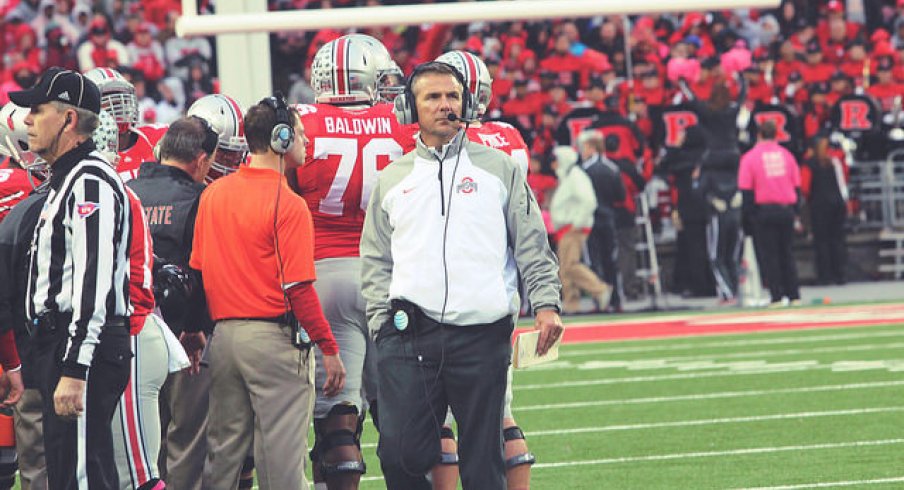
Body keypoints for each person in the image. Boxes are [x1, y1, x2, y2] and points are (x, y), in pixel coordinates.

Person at [361, 61, 562, 489]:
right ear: (411, 109)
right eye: (432, 97)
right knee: (398, 453)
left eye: (452, 96)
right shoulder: (392, 179)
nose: (444, 105)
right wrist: (381, 324)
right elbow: (376, 258)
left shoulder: (500, 169)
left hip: (482, 334)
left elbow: (531, 242)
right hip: (409, 334)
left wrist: (546, 304)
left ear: (466, 102)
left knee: (483, 463)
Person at [190, 94, 345, 489]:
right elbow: (298, 288)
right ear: (281, 138)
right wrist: (328, 347)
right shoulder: (288, 204)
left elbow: (198, 271)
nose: (307, 141)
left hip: (223, 339)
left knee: (221, 460)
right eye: (301, 134)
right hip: (273, 340)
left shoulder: (214, 193)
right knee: (281, 467)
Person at [296, 36, 412, 489]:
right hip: (390, 275)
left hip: (325, 273)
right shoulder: (402, 123)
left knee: (338, 416)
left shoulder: (302, 121)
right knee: (401, 409)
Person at [14, 67, 133, 489]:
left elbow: (92, 279)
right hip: (64, 343)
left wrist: (75, 366)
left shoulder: (89, 181)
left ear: (68, 119)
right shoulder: (67, 180)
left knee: (81, 475)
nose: (26, 118)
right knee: (72, 470)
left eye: (37, 109)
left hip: (81, 345)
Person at [431, 49, 539, 490]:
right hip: (501, 282)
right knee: (499, 409)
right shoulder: (510, 137)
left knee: (438, 412)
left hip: (447, 286)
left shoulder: (441, 143)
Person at [152, 95, 248, 490]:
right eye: (222, 152)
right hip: (190, 339)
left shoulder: (127, 187)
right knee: (192, 445)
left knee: (142, 449)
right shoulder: (205, 199)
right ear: (203, 156)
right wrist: (195, 325)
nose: (229, 162)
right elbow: (207, 272)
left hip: (132, 336)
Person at [738, 120, 802, 306]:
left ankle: (776, 294)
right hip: (785, 209)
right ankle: (794, 294)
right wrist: (795, 210)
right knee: (787, 253)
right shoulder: (787, 156)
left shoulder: (750, 158)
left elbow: (746, 189)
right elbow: (796, 186)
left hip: (764, 210)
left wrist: (750, 216)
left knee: (769, 255)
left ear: (758, 135)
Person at [549, 145, 611, 313]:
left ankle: (599, 289)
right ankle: (571, 303)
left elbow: (589, 201)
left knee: (570, 265)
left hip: (573, 228)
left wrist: (578, 222)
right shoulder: (569, 177)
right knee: (564, 268)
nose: (552, 165)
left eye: (555, 161)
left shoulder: (576, 176)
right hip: (567, 228)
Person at [84, 67, 169, 181]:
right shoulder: (87, 161)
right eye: (107, 99)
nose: (119, 104)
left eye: (122, 97)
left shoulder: (159, 136)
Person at [578, 129, 624, 312]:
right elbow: (620, 195)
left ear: (590, 147)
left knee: (594, 261)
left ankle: (600, 300)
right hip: (609, 217)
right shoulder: (611, 168)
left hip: (591, 220)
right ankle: (616, 300)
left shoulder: (584, 170)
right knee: (611, 260)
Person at [801, 132, 848, 285]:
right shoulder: (834, 162)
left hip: (819, 205)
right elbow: (844, 180)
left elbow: (805, 187)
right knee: (837, 240)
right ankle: (839, 274)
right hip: (837, 204)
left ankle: (825, 276)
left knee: (822, 242)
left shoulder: (810, 164)